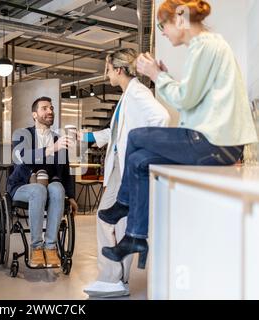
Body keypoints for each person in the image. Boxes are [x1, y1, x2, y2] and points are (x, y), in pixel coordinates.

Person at [101, 0, 258, 269]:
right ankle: (135, 236)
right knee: (138, 161)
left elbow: (185, 100)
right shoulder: (208, 46)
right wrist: (162, 74)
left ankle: (124, 203)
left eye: (163, 25)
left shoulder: (206, 46)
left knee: (137, 137)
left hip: (213, 142)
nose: (162, 32)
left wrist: (155, 75)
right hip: (215, 141)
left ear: (181, 18)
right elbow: (195, 98)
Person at [81, 49, 170, 297]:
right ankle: (118, 279)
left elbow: (161, 118)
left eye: (108, 68)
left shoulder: (138, 92)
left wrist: (141, 151)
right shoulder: (127, 96)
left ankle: (111, 278)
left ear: (118, 70)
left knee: (104, 216)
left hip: (126, 164)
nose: (106, 73)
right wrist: (85, 136)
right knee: (118, 223)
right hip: (121, 165)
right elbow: (114, 133)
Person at [7, 97, 78, 267]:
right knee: (39, 190)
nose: (50, 111)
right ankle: (37, 248)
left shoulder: (57, 138)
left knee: (57, 188)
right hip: (22, 186)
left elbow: (65, 170)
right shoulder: (22, 135)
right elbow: (23, 157)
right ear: (34, 114)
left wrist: (72, 196)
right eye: (44, 108)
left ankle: (51, 247)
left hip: (49, 185)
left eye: (51, 108)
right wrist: (52, 149)